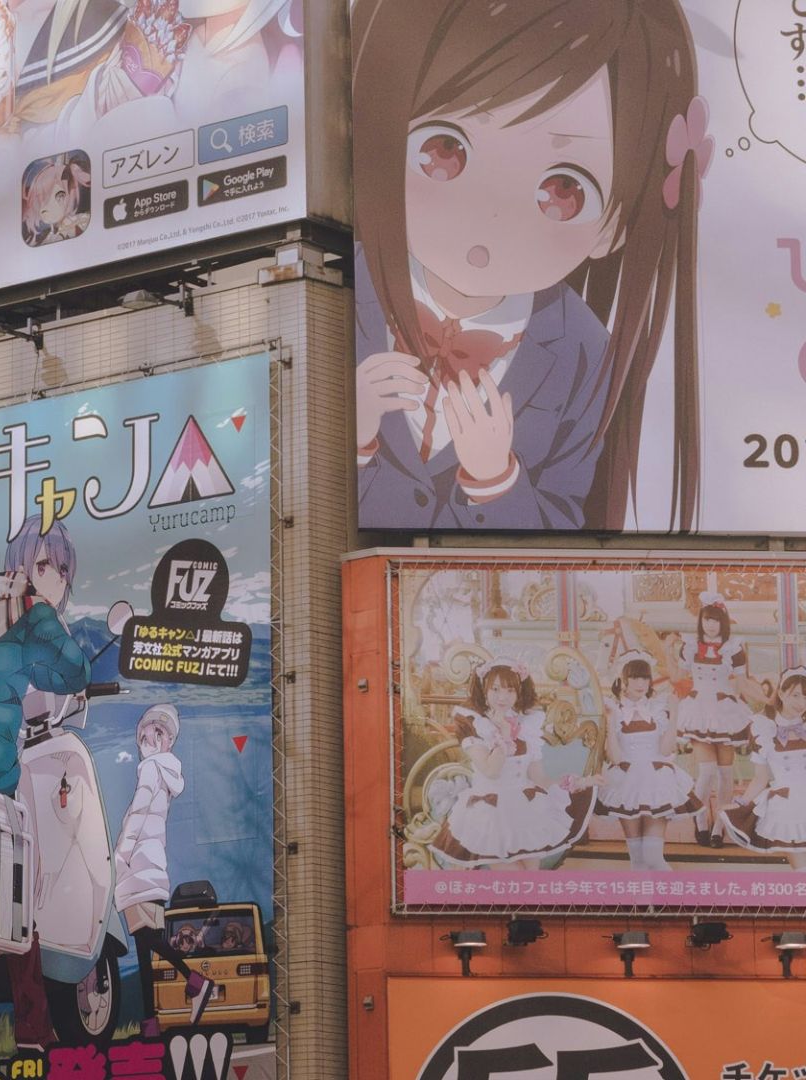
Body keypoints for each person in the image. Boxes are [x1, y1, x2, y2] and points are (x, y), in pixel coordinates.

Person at [351, 0, 704, 530]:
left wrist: (495, 478)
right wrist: (350, 434)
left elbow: (563, 525)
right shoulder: (338, 288)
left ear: (615, 226)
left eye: (563, 191)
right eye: (443, 150)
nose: (491, 212)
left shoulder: (584, 351)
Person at [0, 518, 91, 1049]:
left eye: (62, 569)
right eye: (45, 564)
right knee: (23, 882)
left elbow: (24, 670)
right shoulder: (36, 611)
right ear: (25, 565)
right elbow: (70, 672)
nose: (54, 577)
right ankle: (32, 1028)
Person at [112, 704, 216, 1032]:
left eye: (156, 733)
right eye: (144, 732)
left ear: (166, 740)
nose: (147, 738)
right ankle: (150, 1023)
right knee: (146, 948)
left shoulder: (150, 769)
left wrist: (119, 858)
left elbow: (138, 816)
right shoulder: (166, 773)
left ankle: (195, 980)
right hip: (153, 868)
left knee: (150, 942)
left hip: (137, 869)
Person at [432, 659, 593, 868]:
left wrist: (579, 783)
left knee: (530, 881)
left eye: (510, 690)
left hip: (525, 806)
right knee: (513, 881)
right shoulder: (475, 724)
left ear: (519, 693)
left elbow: (540, 778)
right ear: (484, 690)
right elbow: (491, 770)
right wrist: (504, 735)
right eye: (496, 689)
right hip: (492, 810)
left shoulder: (527, 725)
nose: (503, 697)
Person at [597, 651, 697, 870]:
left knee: (653, 857)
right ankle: (643, 905)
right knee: (637, 860)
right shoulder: (613, 709)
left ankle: (679, 902)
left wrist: (675, 713)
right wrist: (609, 720)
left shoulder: (658, 707)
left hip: (656, 781)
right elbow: (614, 757)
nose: (640, 683)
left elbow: (666, 748)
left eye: (644, 677)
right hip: (626, 783)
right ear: (622, 680)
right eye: (634, 677)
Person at [677, 593, 754, 846]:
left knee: (725, 773)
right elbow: (678, 677)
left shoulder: (734, 648)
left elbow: (743, 683)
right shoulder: (688, 646)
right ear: (701, 621)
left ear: (723, 622)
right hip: (698, 710)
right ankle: (700, 820)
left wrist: (768, 697)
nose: (711, 625)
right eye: (707, 620)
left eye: (716, 620)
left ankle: (719, 828)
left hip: (725, 711)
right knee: (706, 772)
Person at [723, 667, 806, 870]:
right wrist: (742, 803)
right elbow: (760, 778)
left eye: (805, 697)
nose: (801, 703)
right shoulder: (763, 727)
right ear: (781, 693)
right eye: (795, 695)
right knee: (802, 871)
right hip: (788, 805)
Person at [21, 154, 91, 246]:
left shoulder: (81, 223)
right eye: (39, 198)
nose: (44, 206)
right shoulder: (43, 237)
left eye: (60, 196)